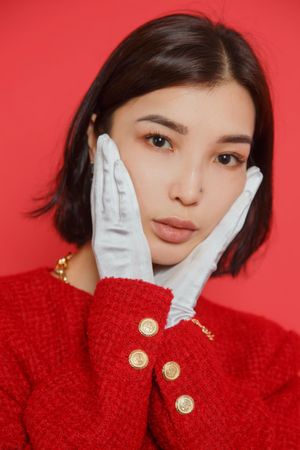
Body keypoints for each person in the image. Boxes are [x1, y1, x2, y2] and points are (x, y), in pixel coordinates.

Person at [0, 10, 299, 449]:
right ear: (94, 139)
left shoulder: (277, 359)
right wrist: (128, 305)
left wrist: (173, 321)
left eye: (226, 158)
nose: (190, 190)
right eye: (160, 141)